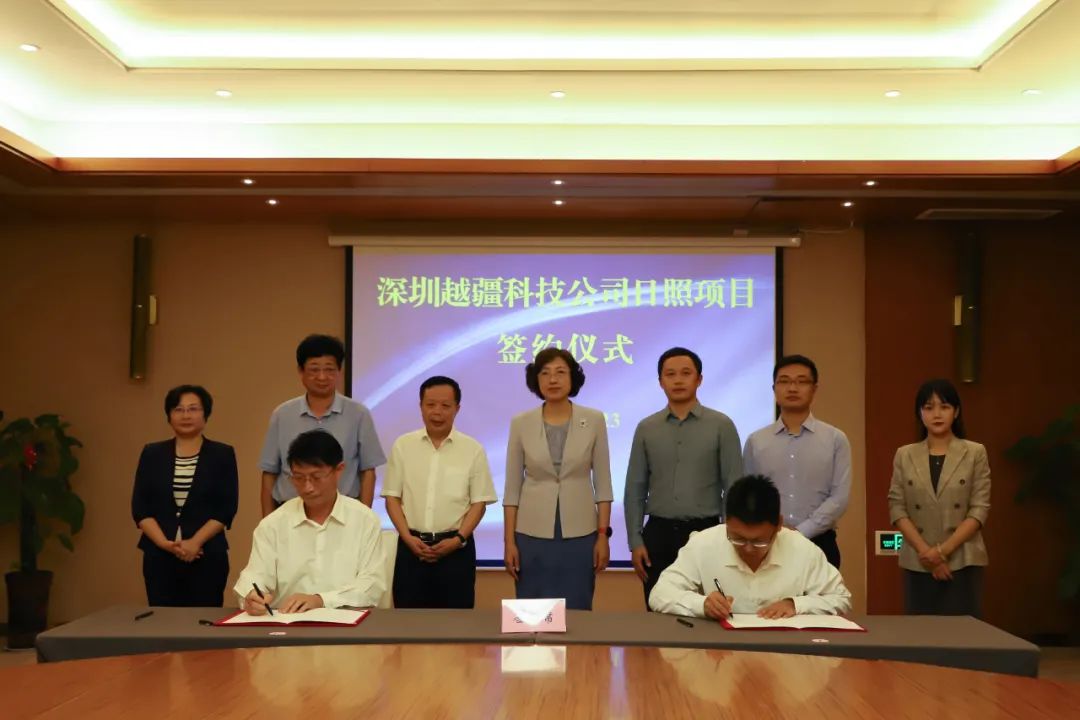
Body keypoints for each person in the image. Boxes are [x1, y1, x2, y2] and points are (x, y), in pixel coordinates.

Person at [624, 347, 743, 607]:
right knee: (659, 609)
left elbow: (734, 486)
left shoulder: (721, 425)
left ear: (699, 379)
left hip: (707, 533)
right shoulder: (646, 428)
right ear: (660, 382)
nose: (678, 380)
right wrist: (635, 541)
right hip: (658, 535)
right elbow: (635, 488)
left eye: (686, 373)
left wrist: (730, 538)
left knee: (708, 609)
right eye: (670, 374)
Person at [649, 474, 851, 619]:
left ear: (779, 525)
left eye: (759, 541)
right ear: (726, 522)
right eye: (737, 539)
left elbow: (841, 598)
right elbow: (659, 594)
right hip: (720, 652)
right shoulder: (703, 544)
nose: (748, 549)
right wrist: (701, 604)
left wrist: (796, 604)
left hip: (785, 653)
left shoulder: (802, 549)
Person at [503, 347, 613, 610]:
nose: (553, 379)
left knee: (577, 606)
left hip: (581, 532)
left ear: (573, 378)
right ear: (536, 380)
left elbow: (603, 485)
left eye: (560, 372)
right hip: (530, 533)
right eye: (545, 373)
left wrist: (602, 536)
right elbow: (512, 489)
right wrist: (509, 542)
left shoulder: (594, 419)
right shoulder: (521, 423)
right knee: (532, 610)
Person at [236, 429, 385, 614]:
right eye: (298, 478)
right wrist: (252, 596)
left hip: (347, 622)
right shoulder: (273, 524)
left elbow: (372, 586)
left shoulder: (365, 520)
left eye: (316, 477)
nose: (307, 488)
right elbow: (254, 575)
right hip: (287, 622)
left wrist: (320, 600)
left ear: (339, 470)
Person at [382, 376, 497, 608]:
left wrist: (458, 539)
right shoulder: (403, 445)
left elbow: (479, 503)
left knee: (457, 622)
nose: (437, 412)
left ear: (457, 408)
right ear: (421, 406)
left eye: (445, 405)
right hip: (411, 547)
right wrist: (407, 538)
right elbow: (392, 497)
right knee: (408, 621)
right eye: (430, 404)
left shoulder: (472, 449)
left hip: (456, 550)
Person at [887, 379, 990, 617]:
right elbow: (897, 507)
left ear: (956, 411)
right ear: (919, 413)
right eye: (928, 407)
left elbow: (979, 509)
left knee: (962, 633)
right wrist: (928, 554)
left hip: (963, 559)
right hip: (918, 560)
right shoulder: (904, 454)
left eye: (944, 406)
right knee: (920, 634)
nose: (936, 414)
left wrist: (942, 552)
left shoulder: (975, 452)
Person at [131, 385, 238, 607]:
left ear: (205, 414)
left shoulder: (222, 454)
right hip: (159, 556)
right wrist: (164, 543)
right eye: (178, 409)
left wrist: (195, 542)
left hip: (207, 555)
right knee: (162, 620)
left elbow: (226, 507)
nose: (186, 415)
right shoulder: (152, 453)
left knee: (203, 620)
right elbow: (140, 507)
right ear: (169, 415)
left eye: (193, 409)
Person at [742, 354, 851, 568]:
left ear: (814, 389)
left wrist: (801, 532)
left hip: (819, 543)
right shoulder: (756, 441)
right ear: (774, 389)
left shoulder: (835, 439)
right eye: (784, 381)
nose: (792, 388)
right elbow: (750, 494)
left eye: (801, 381)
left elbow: (839, 498)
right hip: (769, 544)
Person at [258, 334, 386, 516]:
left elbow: (368, 471)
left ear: (339, 371)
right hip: (290, 512)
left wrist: (363, 517)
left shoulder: (358, 414)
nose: (322, 377)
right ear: (301, 371)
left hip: (344, 514)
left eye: (329, 369)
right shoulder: (282, 414)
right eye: (314, 370)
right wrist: (267, 521)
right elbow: (269, 472)